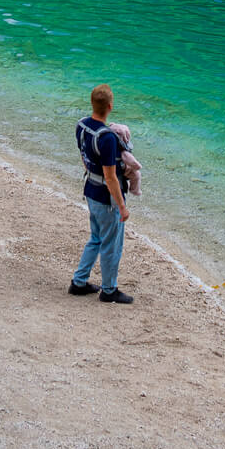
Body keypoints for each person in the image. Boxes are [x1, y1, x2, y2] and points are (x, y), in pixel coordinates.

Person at [69, 84, 138, 305]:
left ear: (92, 103)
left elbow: (83, 156)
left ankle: (79, 282)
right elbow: (111, 178)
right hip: (106, 198)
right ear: (110, 106)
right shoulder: (107, 138)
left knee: (96, 238)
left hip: (90, 189)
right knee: (111, 244)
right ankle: (109, 290)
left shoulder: (82, 125)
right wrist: (122, 206)